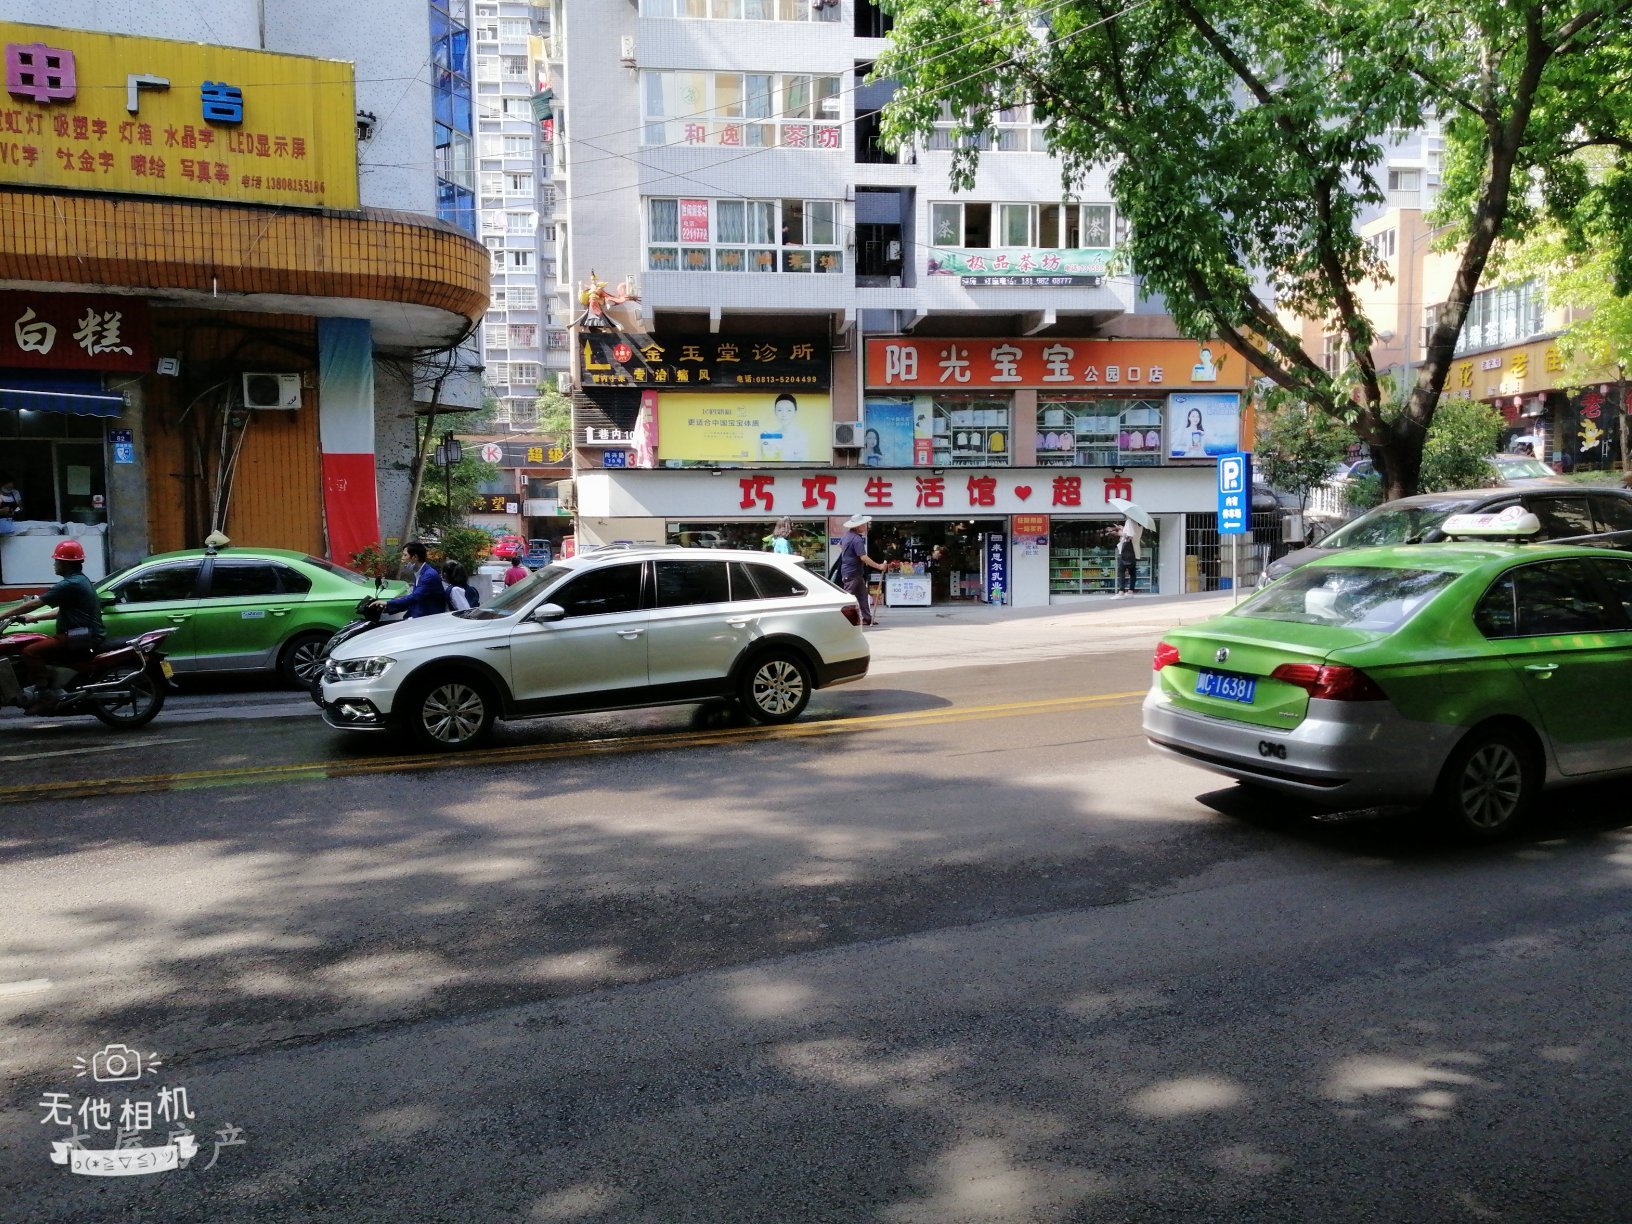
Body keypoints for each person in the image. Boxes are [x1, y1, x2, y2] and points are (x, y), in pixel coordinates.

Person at [3, 539, 104, 713]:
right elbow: (63, 610)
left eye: (57, 561)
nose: (54, 564)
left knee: (30, 651)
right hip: (81, 633)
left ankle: (45, 695)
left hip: (79, 636)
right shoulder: (80, 581)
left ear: (65, 564)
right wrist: (34, 618)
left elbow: (35, 603)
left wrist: (4, 614)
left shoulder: (69, 584)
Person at [838, 514, 889, 626]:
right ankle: (841, 620)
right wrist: (879, 566)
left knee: (862, 595)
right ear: (858, 526)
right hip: (852, 572)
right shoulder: (856, 539)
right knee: (848, 597)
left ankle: (867, 618)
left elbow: (840, 545)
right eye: (863, 524)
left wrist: (848, 555)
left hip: (853, 572)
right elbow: (863, 557)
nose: (865, 526)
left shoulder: (847, 536)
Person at [373, 542, 447, 619]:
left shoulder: (429, 575)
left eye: (405, 555)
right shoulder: (419, 573)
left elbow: (414, 598)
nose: (402, 558)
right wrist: (386, 608)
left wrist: (387, 603)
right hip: (418, 615)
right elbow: (412, 599)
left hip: (428, 619)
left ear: (415, 557)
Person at [1115, 516, 1144, 596]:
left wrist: (1120, 532)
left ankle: (1121, 592)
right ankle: (1131, 591)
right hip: (1135, 551)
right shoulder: (1140, 524)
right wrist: (1123, 528)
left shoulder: (1130, 521)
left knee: (1121, 571)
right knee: (1132, 572)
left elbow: (1129, 536)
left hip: (1127, 551)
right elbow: (1134, 534)